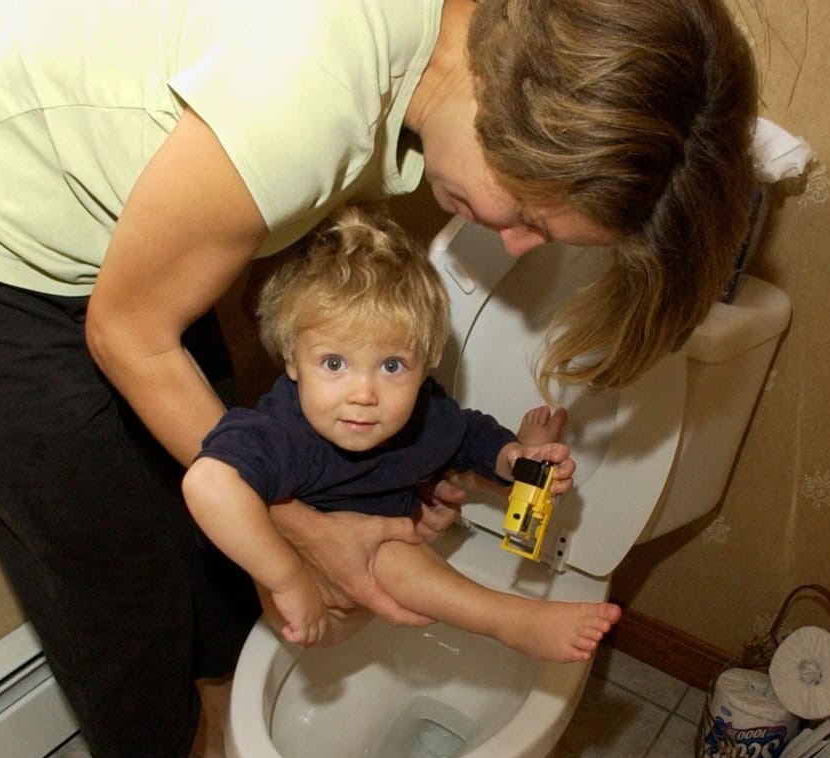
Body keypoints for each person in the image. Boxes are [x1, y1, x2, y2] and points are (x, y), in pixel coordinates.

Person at [0, 0, 757, 758]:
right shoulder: (307, 82)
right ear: (512, 96)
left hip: (118, 226)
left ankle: (216, 694)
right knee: (113, 570)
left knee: (205, 503)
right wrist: (308, 532)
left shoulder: (453, 47)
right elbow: (130, 333)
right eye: (526, 212)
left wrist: (384, 485)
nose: (520, 246)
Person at [185, 206, 621, 658]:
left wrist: (512, 457)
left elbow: (469, 435)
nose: (363, 394)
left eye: (392, 366)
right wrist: (286, 578)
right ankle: (511, 621)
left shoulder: (423, 418)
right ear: (293, 361)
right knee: (388, 553)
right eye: (334, 363)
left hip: (380, 585)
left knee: (419, 523)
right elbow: (208, 483)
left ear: (424, 365)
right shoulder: (280, 432)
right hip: (312, 604)